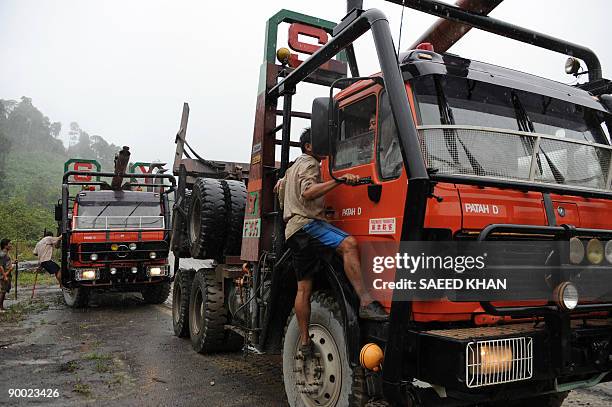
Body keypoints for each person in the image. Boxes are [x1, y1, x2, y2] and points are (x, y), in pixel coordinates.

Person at [276, 128, 387, 356]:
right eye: (320, 143)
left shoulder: (291, 168)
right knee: (349, 245)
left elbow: (280, 190)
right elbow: (308, 193)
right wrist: (340, 180)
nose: (325, 147)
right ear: (308, 147)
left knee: (303, 289)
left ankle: (305, 342)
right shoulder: (310, 164)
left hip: (292, 231)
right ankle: (366, 302)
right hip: (307, 226)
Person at [0, 238, 14, 312]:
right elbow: (1, 266)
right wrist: (5, 275)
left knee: (4, 290)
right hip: (4, 274)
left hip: (7, 273)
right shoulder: (2, 254)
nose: (11, 245)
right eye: (9, 244)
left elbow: (7, 264)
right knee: (3, 291)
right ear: (5, 245)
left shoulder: (6, 254)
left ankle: (1, 306)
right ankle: (0, 307)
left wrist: (13, 262)